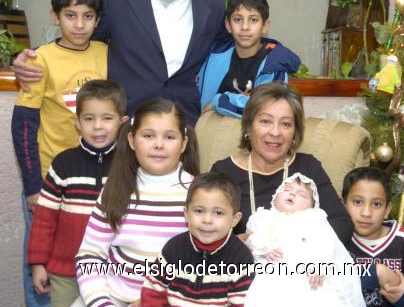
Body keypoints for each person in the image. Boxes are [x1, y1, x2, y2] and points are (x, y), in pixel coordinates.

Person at [12, 0, 229, 125]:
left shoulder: (213, 6)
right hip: (124, 126)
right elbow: (80, 40)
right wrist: (35, 57)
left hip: (182, 125)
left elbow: (233, 50)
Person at [10, 0, 106, 307]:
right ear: (55, 16)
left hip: (96, 180)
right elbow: (23, 125)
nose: (79, 25)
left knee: (89, 259)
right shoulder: (40, 60)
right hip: (50, 182)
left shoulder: (107, 54)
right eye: (70, 15)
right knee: (40, 262)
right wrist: (33, 185)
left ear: (97, 19)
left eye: (88, 16)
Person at [74, 99, 199, 306]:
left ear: (184, 143)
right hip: (114, 298)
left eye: (169, 137)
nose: (158, 144)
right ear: (132, 140)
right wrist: (102, 303)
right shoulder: (115, 190)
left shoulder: (198, 194)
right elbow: (90, 255)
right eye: (148, 136)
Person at [211, 82, 354, 244]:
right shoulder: (223, 172)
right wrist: (236, 244)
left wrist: (295, 242)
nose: (275, 132)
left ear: (295, 133)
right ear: (248, 128)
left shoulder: (308, 168)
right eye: (265, 121)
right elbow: (207, 230)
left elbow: (343, 225)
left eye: (286, 124)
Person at [27, 80, 127, 306]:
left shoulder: (128, 166)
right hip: (65, 271)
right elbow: (44, 219)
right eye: (89, 119)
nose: (98, 126)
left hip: (111, 271)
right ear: (77, 123)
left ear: (122, 122)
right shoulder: (64, 164)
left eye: (107, 118)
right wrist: (37, 263)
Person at [244, 173, 365, 307]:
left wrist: (320, 264)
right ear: (275, 196)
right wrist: (264, 248)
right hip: (270, 275)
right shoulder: (263, 217)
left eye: (301, 194)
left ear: (312, 205)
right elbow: (251, 236)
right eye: (286, 190)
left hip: (307, 275)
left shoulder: (313, 219)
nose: (292, 194)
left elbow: (327, 243)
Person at [141, 172, 255, 306]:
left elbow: (242, 303)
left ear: (234, 219)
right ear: (186, 214)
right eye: (199, 211)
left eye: (218, 213)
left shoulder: (240, 257)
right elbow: (153, 292)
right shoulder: (173, 248)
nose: (207, 220)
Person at [342, 167, 404, 307]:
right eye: (358, 202)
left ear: (387, 210)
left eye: (376, 204)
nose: (366, 213)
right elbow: (314, 275)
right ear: (344, 204)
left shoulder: (403, 240)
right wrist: (374, 273)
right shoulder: (337, 238)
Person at [197, 0, 300, 118]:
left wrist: (218, 102)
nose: (245, 27)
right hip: (207, 131)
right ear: (228, 25)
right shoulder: (213, 53)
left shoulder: (274, 63)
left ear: (265, 26)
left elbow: (265, 106)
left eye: (253, 20)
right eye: (237, 19)